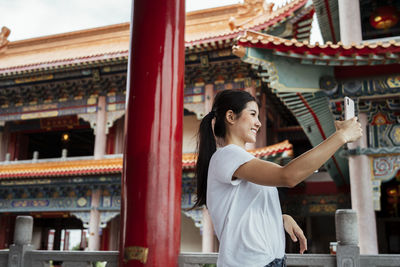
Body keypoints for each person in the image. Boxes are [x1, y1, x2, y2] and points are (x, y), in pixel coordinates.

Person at [192, 89, 362, 267]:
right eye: (252, 114)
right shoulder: (227, 155)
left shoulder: (240, 159)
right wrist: (341, 136)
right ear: (231, 116)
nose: (258, 123)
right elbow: (288, 176)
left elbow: (245, 210)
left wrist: (280, 218)